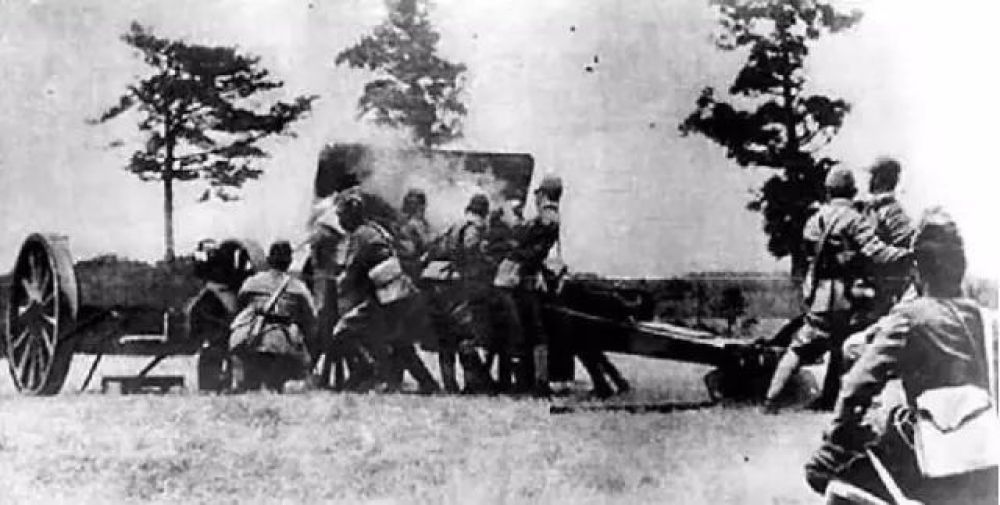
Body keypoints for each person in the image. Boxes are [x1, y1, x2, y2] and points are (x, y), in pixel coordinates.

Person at [804, 208, 998, 505]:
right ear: (961, 267)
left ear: (917, 270)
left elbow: (857, 386)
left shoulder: (909, 318)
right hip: (988, 461)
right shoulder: (988, 321)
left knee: (829, 477)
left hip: (933, 459)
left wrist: (837, 438)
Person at [763, 167, 911, 413]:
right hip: (846, 296)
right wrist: (907, 254)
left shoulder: (814, 221)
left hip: (819, 294)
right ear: (852, 191)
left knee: (799, 348)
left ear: (828, 191)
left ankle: (771, 400)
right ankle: (841, 401)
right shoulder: (855, 219)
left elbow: (810, 255)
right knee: (847, 346)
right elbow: (877, 252)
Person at [330, 191, 439, 394]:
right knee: (400, 343)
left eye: (342, 216)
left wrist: (337, 286)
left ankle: (368, 368)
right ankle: (427, 384)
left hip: (387, 296)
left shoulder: (360, 236)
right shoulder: (374, 229)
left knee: (342, 330)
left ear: (351, 215)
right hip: (400, 293)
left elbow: (351, 273)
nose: (340, 221)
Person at [229, 241, 316, 392]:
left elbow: (240, 303)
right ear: (289, 262)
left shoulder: (252, 282)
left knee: (250, 386)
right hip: (282, 341)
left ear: (269, 260)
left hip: (250, 336)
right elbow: (311, 317)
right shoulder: (298, 287)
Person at [509, 175, 563, 396]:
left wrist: (514, 223)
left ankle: (538, 382)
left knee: (532, 331)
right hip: (531, 277)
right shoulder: (548, 216)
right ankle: (534, 380)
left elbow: (530, 243)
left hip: (529, 280)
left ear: (545, 194)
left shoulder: (547, 216)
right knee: (533, 331)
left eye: (539, 194)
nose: (536, 198)